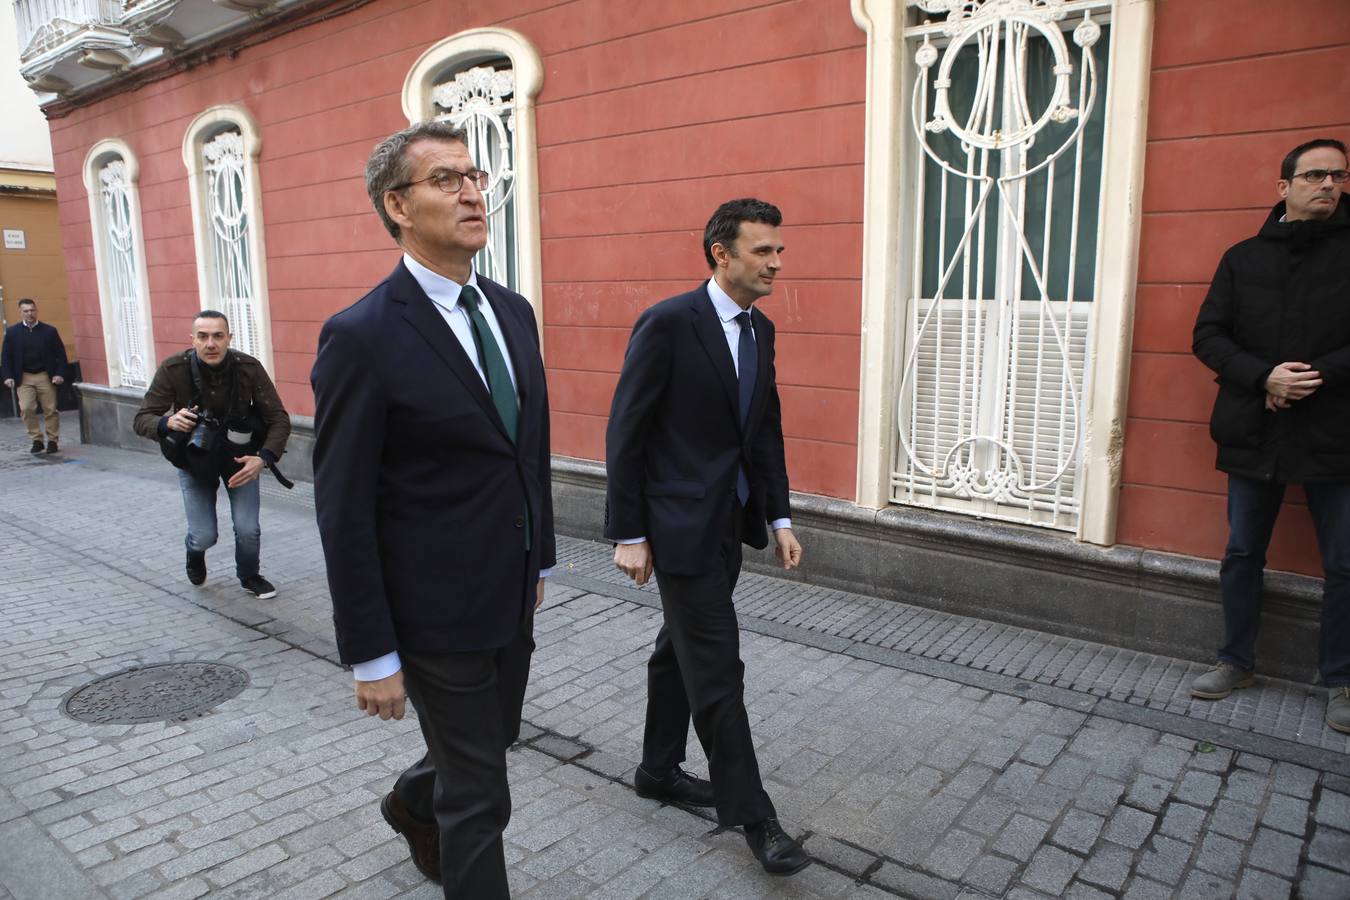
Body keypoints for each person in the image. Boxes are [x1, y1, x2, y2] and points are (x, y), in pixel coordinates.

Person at [311, 120, 555, 898]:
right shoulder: (362, 335)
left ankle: (412, 800)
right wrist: (372, 654)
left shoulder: (513, 311)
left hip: (509, 589)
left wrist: (538, 554)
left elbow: (527, 451)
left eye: (476, 176)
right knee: (482, 796)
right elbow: (343, 507)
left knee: (492, 740)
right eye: (446, 179)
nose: (474, 192)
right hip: (430, 610)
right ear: (399, 205)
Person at [605, 198, 810, 875]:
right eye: (763, 251)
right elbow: (627, 431)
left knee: (679, 650)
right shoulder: (669, 323)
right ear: (721, 254)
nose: (777, 262)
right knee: (719, 668)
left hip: (730, 524)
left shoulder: (762, 330)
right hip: (676, 527)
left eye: (779, 250)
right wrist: (629, 530)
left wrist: (779, 518)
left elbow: (764, 430)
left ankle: (658, 770)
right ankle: (756, 817)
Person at [1191, 137, 1350, 736]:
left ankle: (1341, 680)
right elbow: (1208, 335)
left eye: (1337, 175)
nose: (1328, 185)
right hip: (1257, 428)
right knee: (1242, 553)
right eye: (1314, 176)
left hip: (1336, 431)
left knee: (1344, 562)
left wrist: (1313, 378)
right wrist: (1263, 377)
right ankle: (1235, 661)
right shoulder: (1243, 258)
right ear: (1284, 188)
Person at [133, 310, 290, 599]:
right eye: (203, 336)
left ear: (230, 337)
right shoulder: (173, 369)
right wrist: (166, 422)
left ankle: (249, 575)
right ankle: (194, 550)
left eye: (218, 336)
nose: (211, 344)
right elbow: (142, 418)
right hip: (194, 459)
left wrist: (264, 457)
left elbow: (279, 418)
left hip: (239, 459)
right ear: (192, 340)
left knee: (248, 529)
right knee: (204, 534)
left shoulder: (248, 367)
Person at [2, 298, 69, 454]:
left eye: (32, 310)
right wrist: (7, 376)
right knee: (26, 408)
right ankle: (36, 439)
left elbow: (61, 354)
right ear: (20, 312)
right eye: (26, 311)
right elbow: (6, 357)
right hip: (23, 377)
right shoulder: (12, 333)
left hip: (45, 375)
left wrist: (59, 374)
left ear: (36, 310)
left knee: (50, 409)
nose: (29, 313)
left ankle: (52, 440)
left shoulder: (49, 331)